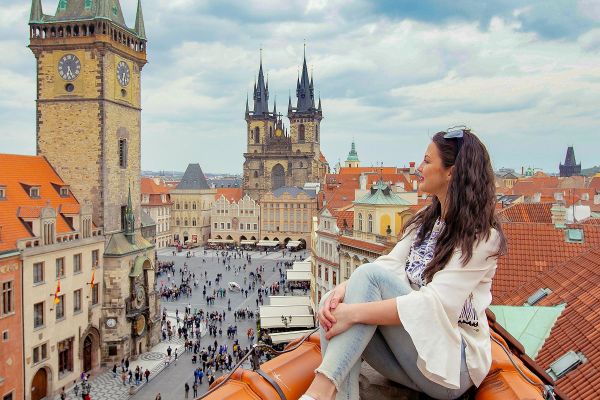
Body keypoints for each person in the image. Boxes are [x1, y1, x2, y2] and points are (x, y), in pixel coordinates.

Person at [300, 127, 507, 400]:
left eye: (427, 161)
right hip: (416, 354)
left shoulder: (482, 236)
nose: (419, 167)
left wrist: (354, 312)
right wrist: (342, 290)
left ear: (452, 172)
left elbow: (431, 304)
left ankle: (320, 389)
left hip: (453, 365)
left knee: (361, 288)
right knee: (333, 300)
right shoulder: (426, 220)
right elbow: (389, 264)